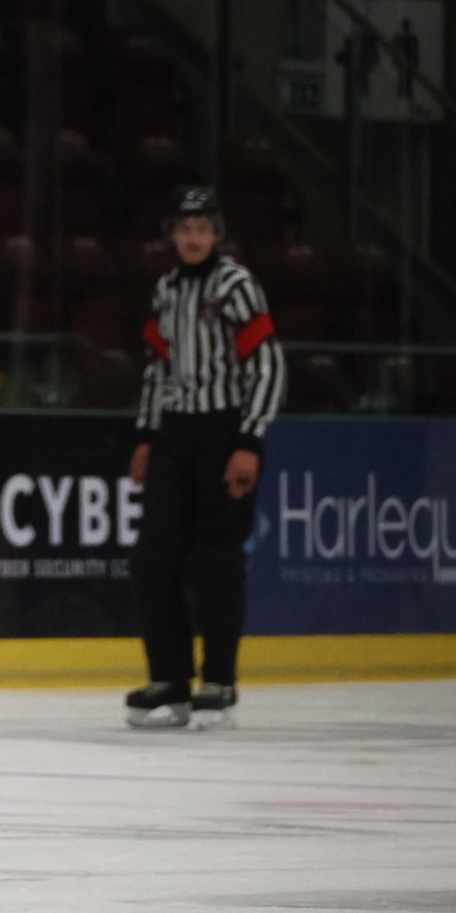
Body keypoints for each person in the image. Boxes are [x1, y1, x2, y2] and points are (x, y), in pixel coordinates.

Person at [126, 185, 286, 729]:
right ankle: (169, 678)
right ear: (172, 235)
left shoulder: (236, 285)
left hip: (223, 430)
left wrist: (249, 440)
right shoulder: (166, 289)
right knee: (155, 554)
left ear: (216, 234)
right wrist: (146, 436)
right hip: (175, 431)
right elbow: (157, 368)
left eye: (203, 229)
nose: (193, 238)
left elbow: (267, 364)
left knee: (216, 556)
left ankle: (218, 682)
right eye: (185, 228)